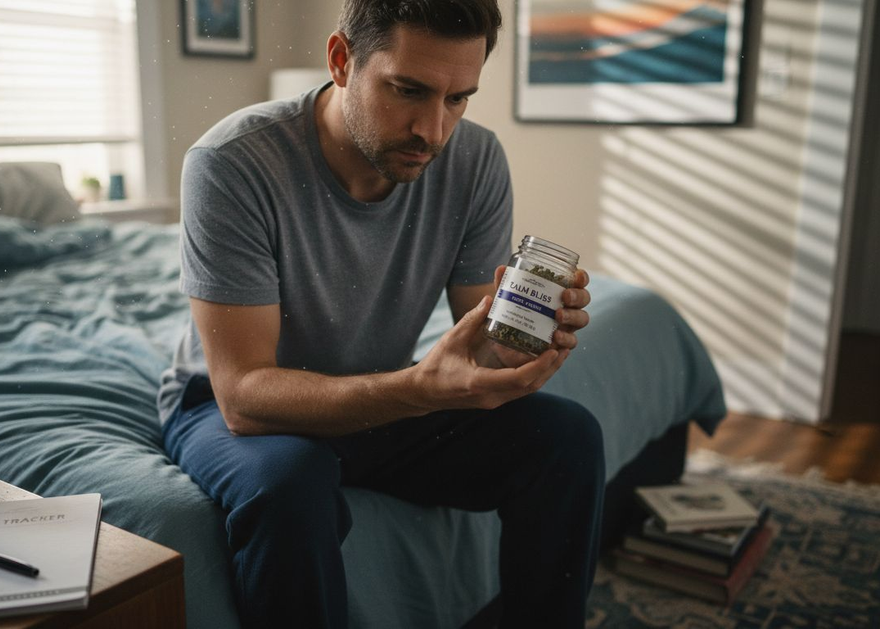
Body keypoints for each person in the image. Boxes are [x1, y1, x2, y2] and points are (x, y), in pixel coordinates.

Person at [157, 1, 605, 627]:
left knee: (566, 436)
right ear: (341, 61)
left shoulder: (475, 161)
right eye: (408, 91)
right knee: (291, 483)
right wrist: (419, 388)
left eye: (458, 99)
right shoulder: (232, 163)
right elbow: (244, 394)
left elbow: (481, 333)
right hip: (237, 406)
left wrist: (520, 342)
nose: (433, 131)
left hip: (377, 393)